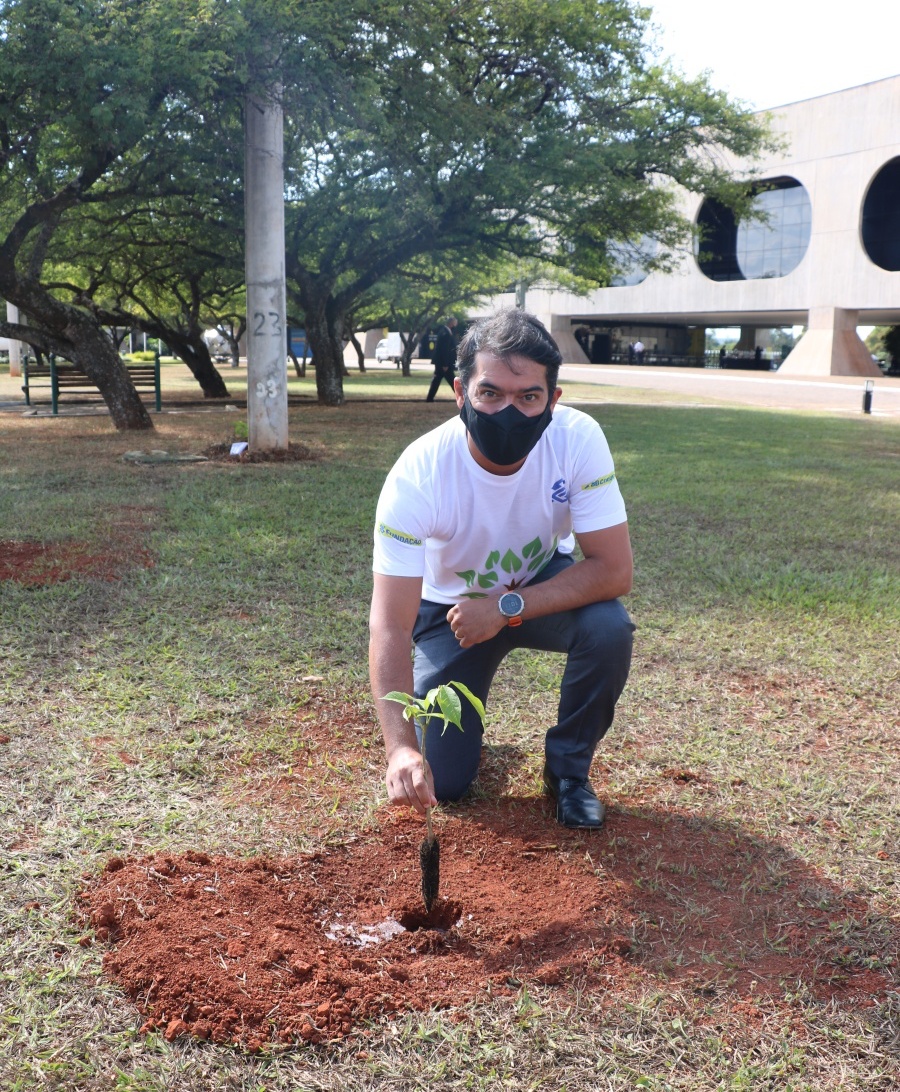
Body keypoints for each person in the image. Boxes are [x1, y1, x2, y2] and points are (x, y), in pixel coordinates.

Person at [369, 309, 634, 829]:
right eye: (490, 393)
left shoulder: (578, 439)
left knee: (609, 628)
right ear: (459, 392)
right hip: (448, 614)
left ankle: (567, 775)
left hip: (534, 588)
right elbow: (390, 623)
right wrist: (399, 748)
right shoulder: (418, 475)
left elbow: (614, 570)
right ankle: (460, 740)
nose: (508, 412)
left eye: (528, 397)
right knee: (443, 783)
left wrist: (504, 607)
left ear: (552, 401)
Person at [425, 316, 458, 401]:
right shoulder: (445, 333)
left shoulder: (447, 331)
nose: (456, 324)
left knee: (439, 380)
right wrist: (445, 364)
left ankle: (429, 398)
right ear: (451, 323)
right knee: (452, 381)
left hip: (443, 362)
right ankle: (462, 398)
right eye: (455, 322)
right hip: (443, 363)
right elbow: (444, 350)